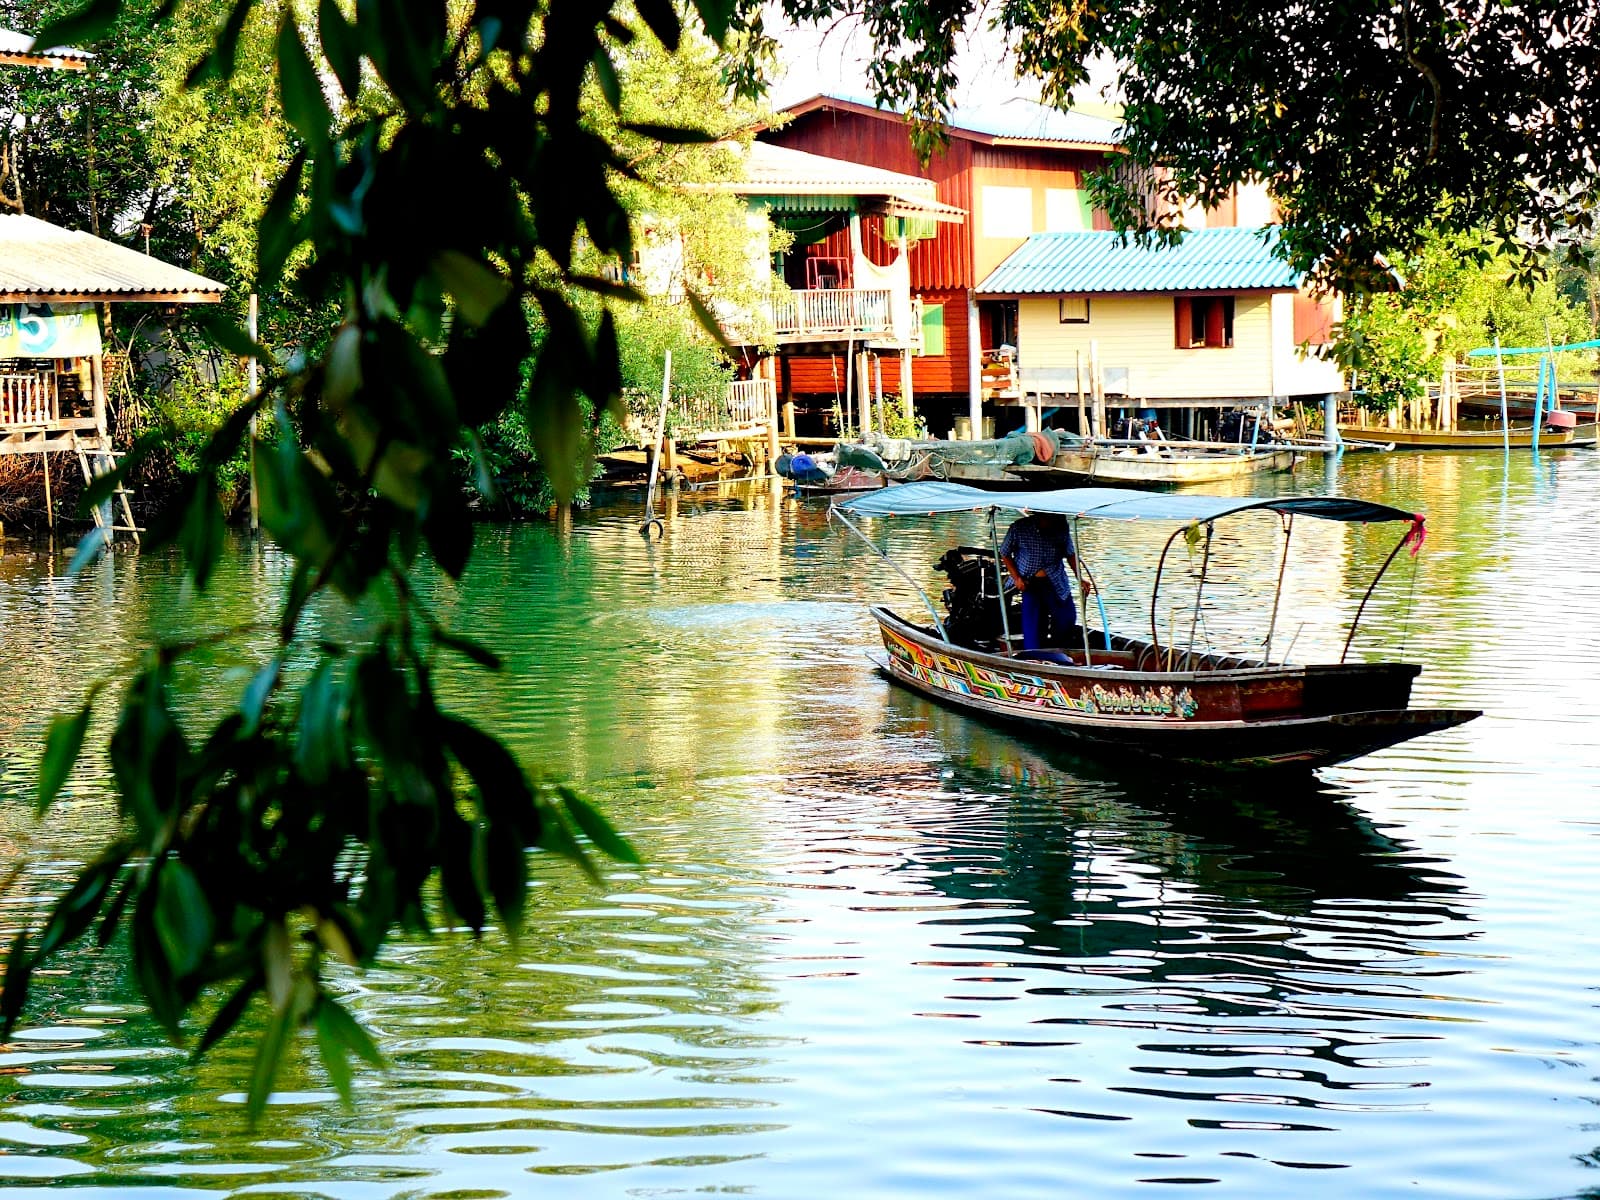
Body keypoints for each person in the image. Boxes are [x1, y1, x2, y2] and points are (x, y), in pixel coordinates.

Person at [1000, 512, 1090, 650]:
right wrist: (1016, 578)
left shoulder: (1061, 527)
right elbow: (1004, 553)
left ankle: (1060, 650)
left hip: (1055, 579)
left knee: (1067, 617)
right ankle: (1034, 654)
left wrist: (1080, 578)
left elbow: (1070, 554)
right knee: (1033, 624)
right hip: (1029, 582)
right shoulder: (1019, 527)